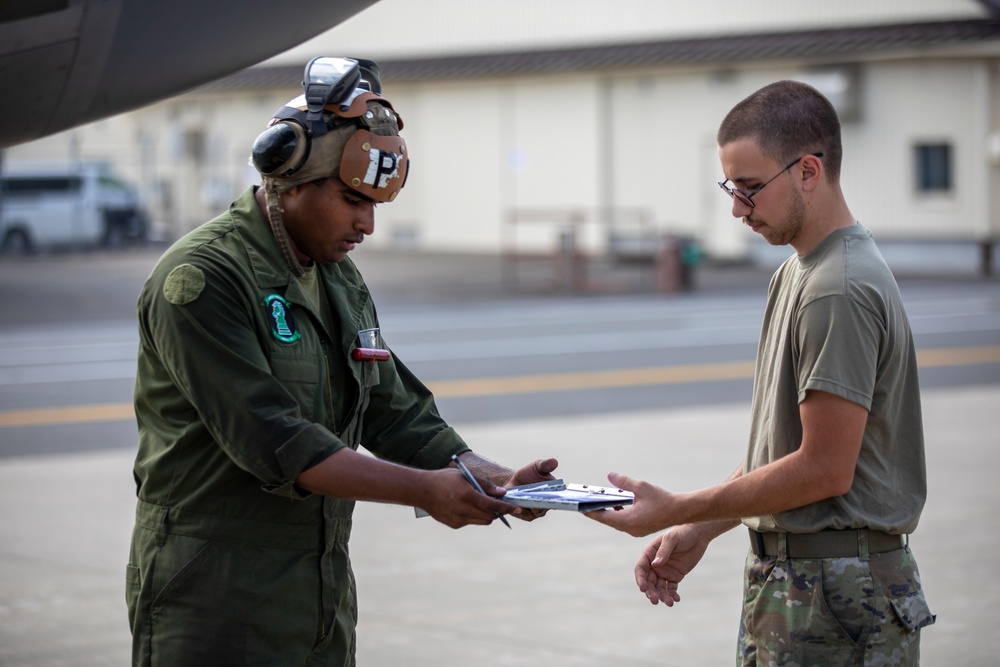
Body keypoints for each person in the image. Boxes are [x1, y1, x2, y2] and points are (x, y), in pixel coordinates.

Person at [125, 56, 557, 667]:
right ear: (291, 180)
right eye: (354, 199)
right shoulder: (202, 279)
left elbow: (390, 406)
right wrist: (427, 491)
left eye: (378, 204)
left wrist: (481, 473)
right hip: (212, 590)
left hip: (317, 590)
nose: (368, 224)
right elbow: (274, 439)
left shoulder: (335, 275)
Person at [587, 80, 935, 666]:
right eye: (731, 187)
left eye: (749, 188)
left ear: (807, 172)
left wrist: (677, 507)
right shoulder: (800, 272)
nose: (735, 208)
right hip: (806, 581)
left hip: (838, 594)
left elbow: (824, 469)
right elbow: (786, 451)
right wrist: (700, 529)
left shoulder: (837, 288)